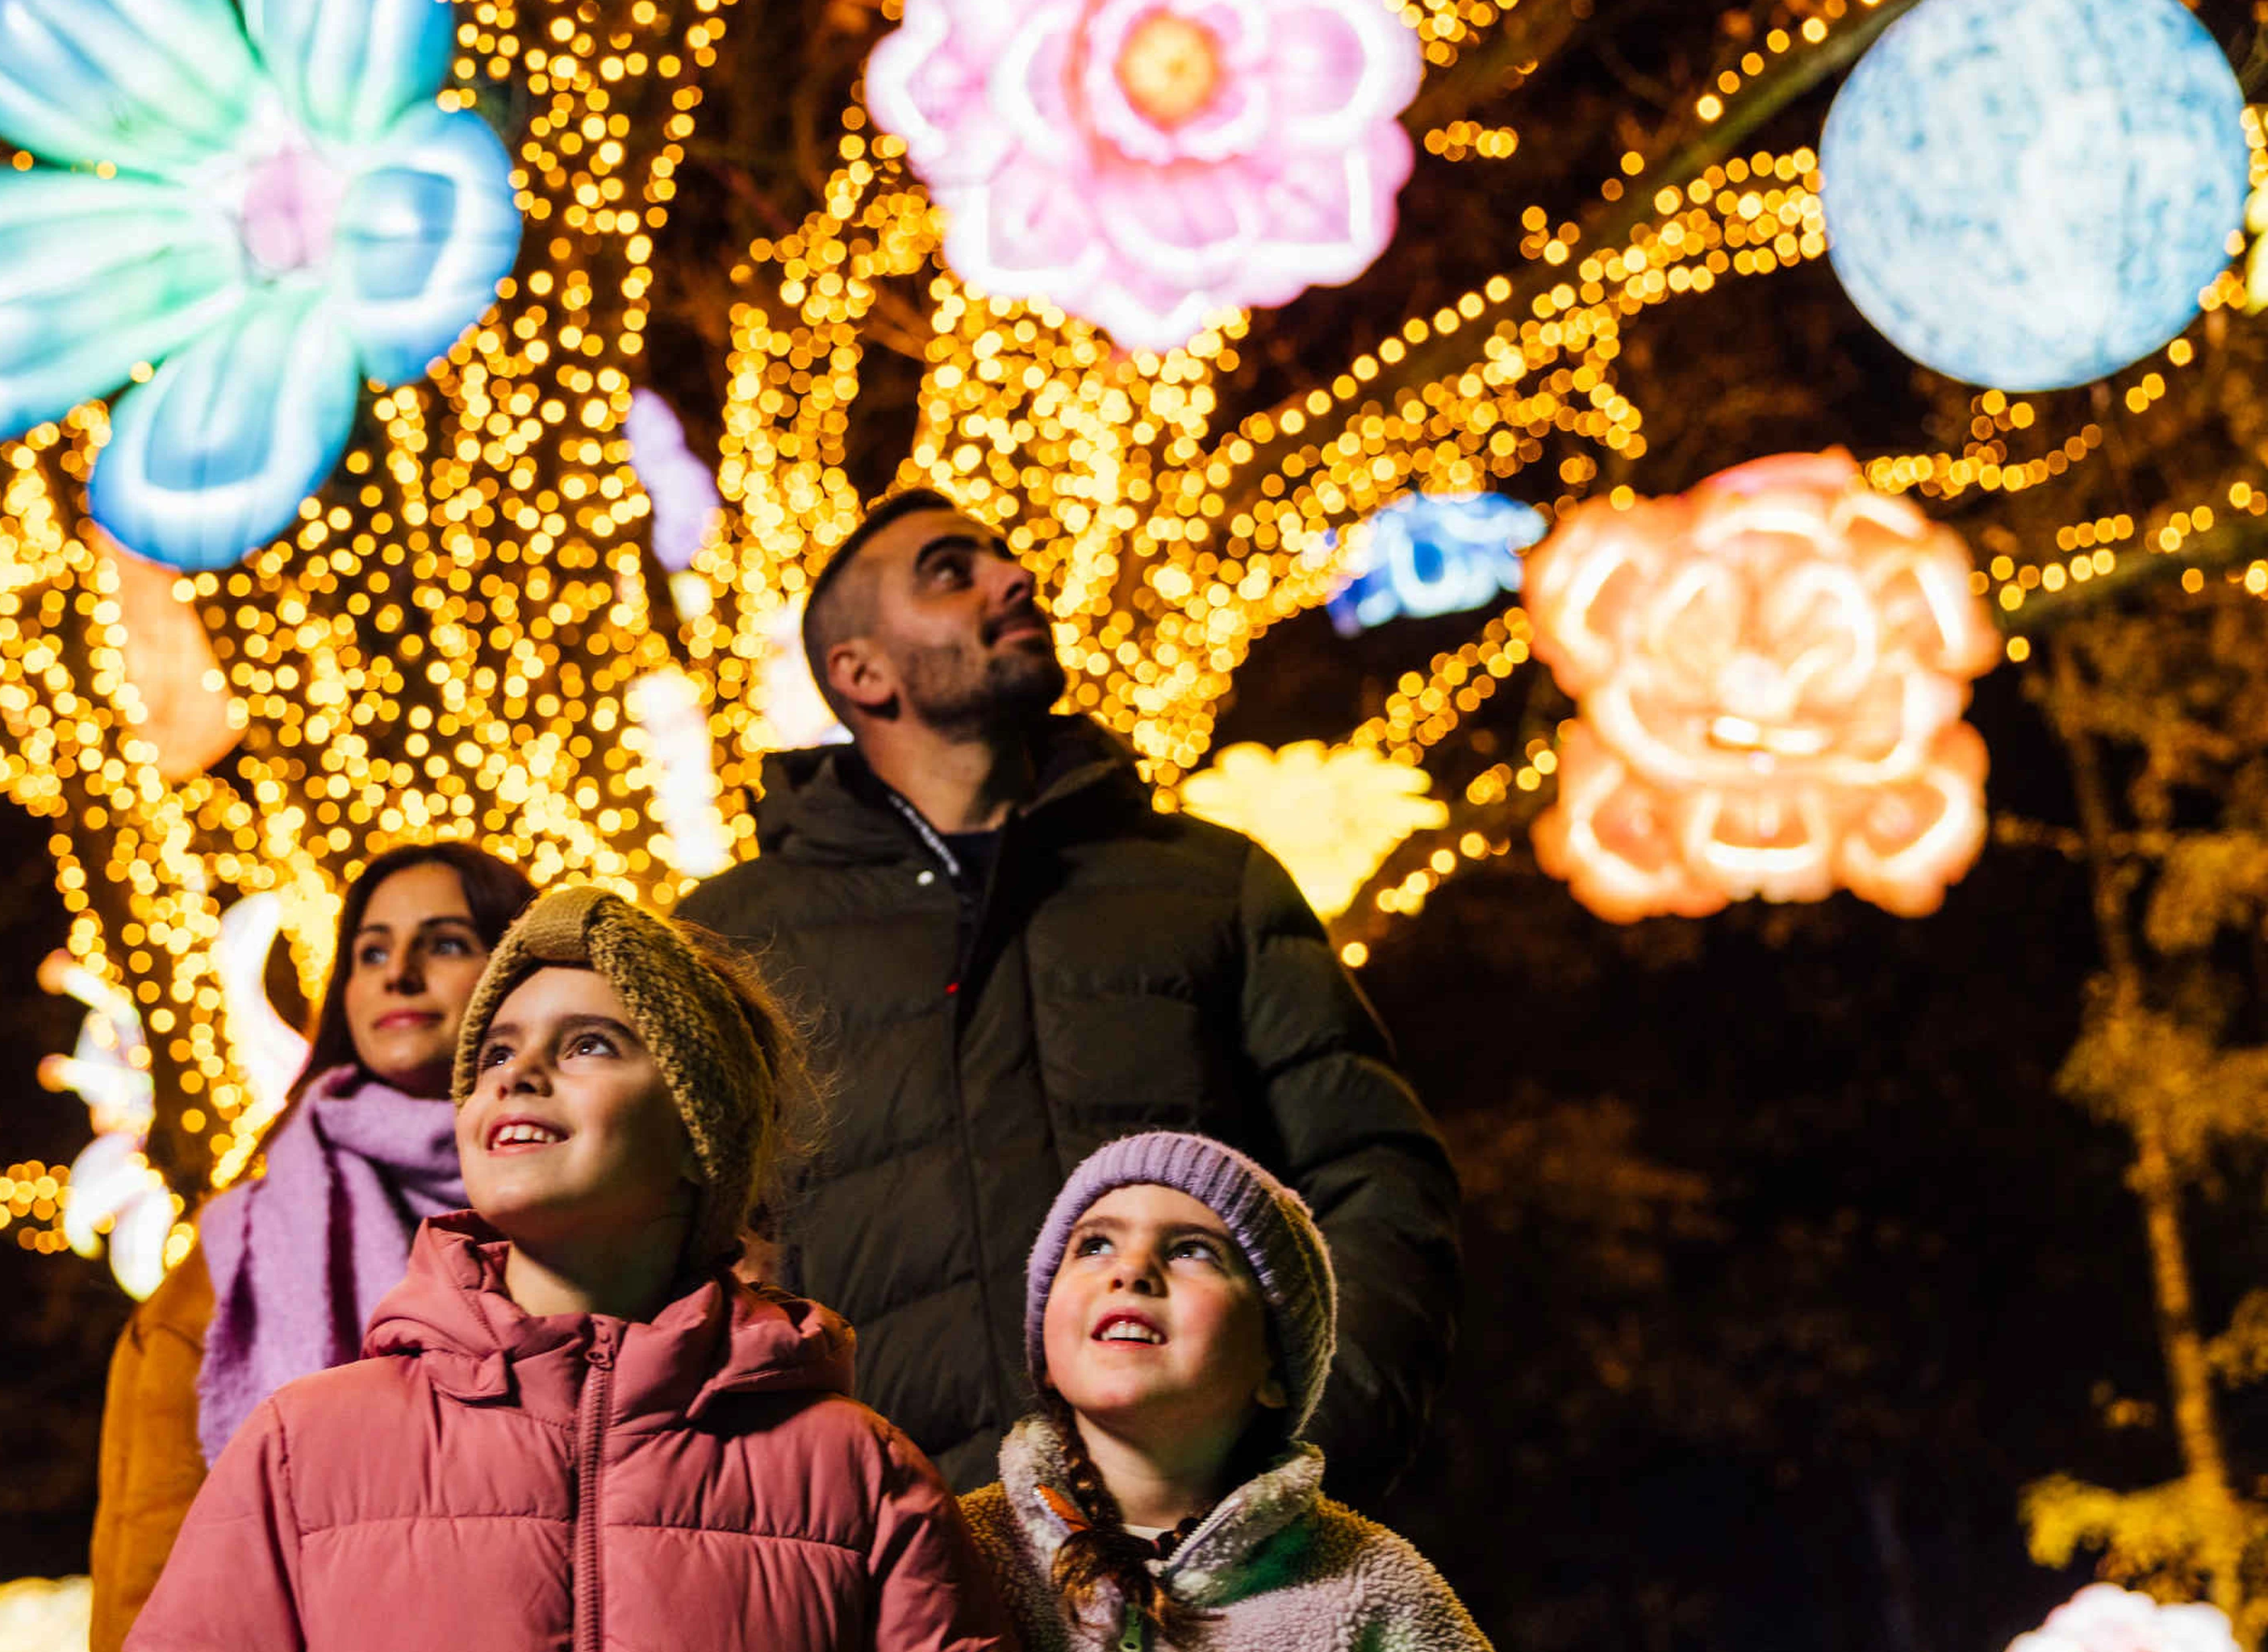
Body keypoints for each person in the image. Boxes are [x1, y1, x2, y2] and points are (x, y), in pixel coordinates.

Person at [677, 487, 1460, 1495]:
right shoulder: (732, 937)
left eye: (1004, 560)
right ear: (860, 671)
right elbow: (674, 1257)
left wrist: (1302, 1459)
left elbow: (1374, 1175)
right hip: (890, 1567)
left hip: (1204, 1573)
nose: (1014, 578)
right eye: (951, 572)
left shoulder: (1211, 883)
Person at [124, 886, 1013, 1652]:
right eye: (497, 1053)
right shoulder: (302, 1446)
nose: (520, 1074)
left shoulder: (855, 1468)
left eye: (590, 1042)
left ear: (700, 1136)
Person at [88, 843, 537, 1652]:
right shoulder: (234, 1264)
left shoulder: (598, 1219)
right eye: (371, 950)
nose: (397, 972)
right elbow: (152, 1582)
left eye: (443, 942)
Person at [960, 1132, 1490, 1651]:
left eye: (1193, 1250)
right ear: (1046, 1355)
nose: (1132, 1269)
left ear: (1275, 1368)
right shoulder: (956, 1549)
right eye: (1095, 1245)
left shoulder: (1372, 1587)